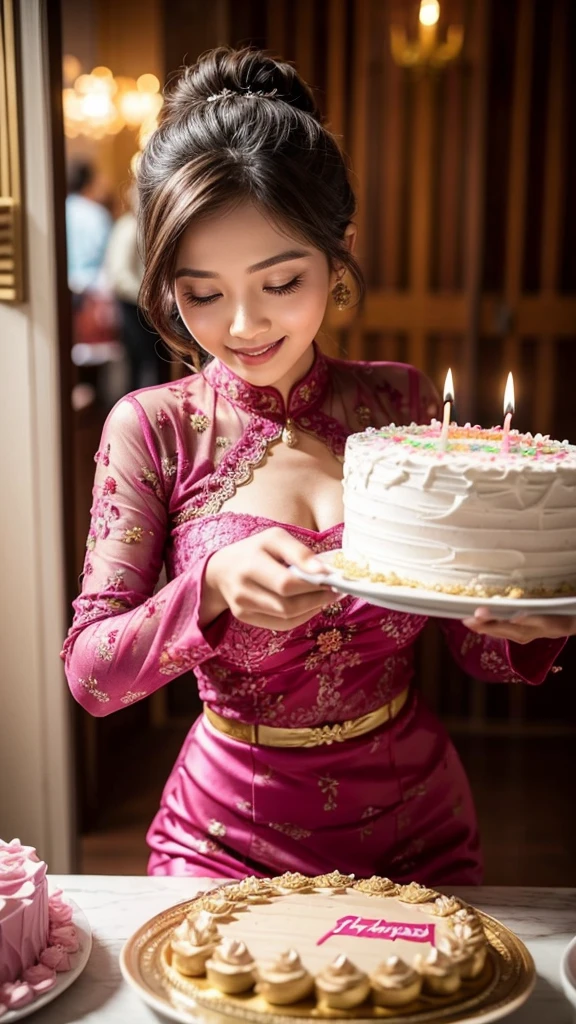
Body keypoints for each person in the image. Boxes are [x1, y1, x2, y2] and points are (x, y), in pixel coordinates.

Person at [61, 48, 573, 884]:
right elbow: (92, 675)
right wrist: (212, 585)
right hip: (224, 835)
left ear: (339, 256)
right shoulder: (152, 430)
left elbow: (469, 643)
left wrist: (526, 625)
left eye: (281, 280)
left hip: (416, 821)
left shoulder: (397, 407)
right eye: (202, 293)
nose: (243, 325)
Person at [105, 187, 168, 391]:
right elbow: (120, 277)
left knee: (157, 363)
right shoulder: (128, 228)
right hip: (134, 308)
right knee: (141, 364)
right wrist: (149, 297)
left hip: (151, 306)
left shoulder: (147, 227)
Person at [65, 159, 112, 298]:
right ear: (89, 184)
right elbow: (107, 255)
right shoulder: (96, 214)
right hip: (93, 292)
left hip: (65, 288)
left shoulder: (59, 212)